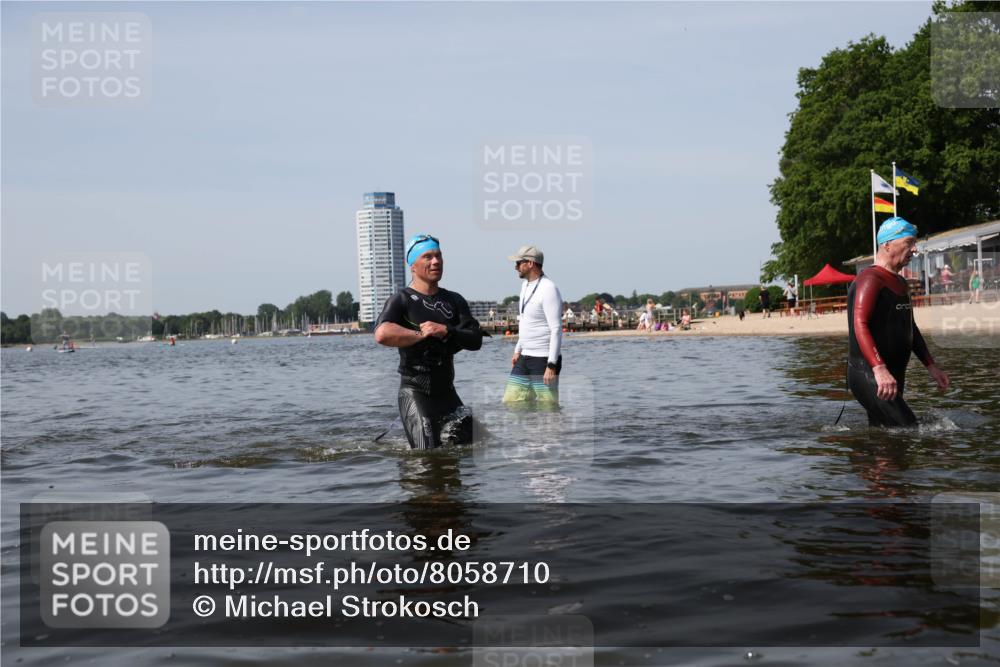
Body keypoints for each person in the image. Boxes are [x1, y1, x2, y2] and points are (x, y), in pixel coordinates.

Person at [374, 234, 487, 449]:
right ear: (413, 265)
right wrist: (420, 334)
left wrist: (447, 330)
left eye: (438, 256)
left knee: (479, 446)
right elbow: (382, 334)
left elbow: (475, 340)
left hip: (447, 392)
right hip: (416, 392)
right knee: (427, 455)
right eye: (427, 256)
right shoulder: (402, 299)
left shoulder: (454, 300)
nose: (436, 261)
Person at [847, 217, 950, 427]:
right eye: (909, 242)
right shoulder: (870, 279)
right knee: (909, 429)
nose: (915, 249)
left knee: (887, 438)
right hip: (869, 373)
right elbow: (860, 324)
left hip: (892, 374)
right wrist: (879, 369)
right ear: (887, 244)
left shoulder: (900, 282)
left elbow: (910, 328)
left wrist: (931, 366)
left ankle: (872, 458)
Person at [504, 245, 563, 409]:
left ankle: (550, 435)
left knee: (548, 408)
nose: (515, 267)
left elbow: (556, 329)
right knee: (512, 403)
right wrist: (518, 349)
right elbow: (525, 320)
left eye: (518, 262)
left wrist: (551, 364)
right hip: (524, 357)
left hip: (543, 359)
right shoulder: (525, 286)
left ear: (530, 263)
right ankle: (527, 435)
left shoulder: (549, 288)